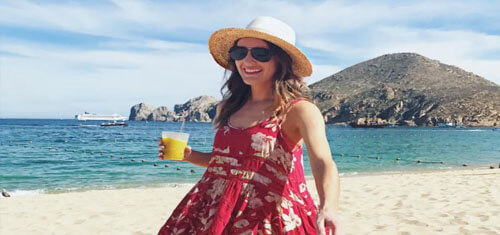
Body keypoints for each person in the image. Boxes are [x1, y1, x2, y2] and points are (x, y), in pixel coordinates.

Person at [158, 16, 342, 235]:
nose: (247, 61)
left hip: (267, 216)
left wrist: (328, 206)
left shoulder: (298, 110)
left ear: (281, 60)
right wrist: (189, 156)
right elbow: (231, 165)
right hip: (215, 210)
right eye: (240, 52)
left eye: (260, 53)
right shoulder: (227, 107)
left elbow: (323, 161)